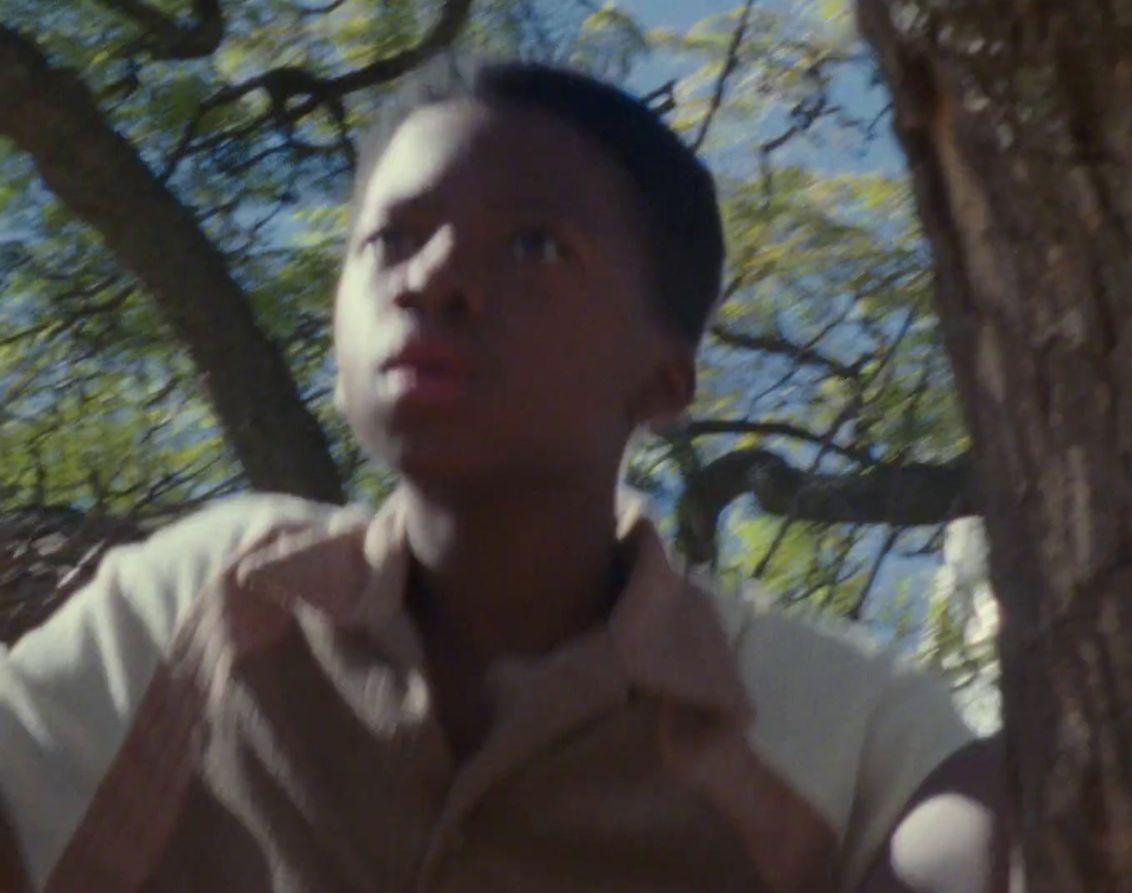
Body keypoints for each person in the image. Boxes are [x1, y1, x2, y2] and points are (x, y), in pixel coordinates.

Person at [0, 58, 1007, 892]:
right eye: (389, 236)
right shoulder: (207, 598)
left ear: (665, 375)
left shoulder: (846, 720)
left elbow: (991, 844)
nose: (430, 276)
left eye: (532, 245)